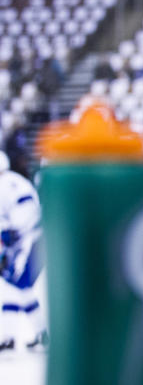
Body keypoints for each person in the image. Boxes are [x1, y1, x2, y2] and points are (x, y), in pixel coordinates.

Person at [0, 151, 47, 352]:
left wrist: (12, 232)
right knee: (21, 289)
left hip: (31, 240)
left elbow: (26, 212)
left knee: (14, 287)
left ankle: (8, 337)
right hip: (31, 240)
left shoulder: (8, 184)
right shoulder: (12, 182)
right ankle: (42, 333)